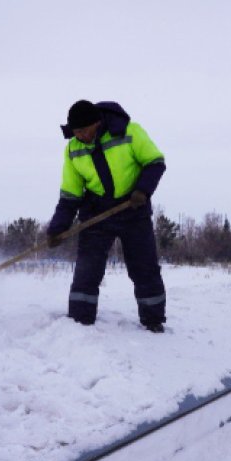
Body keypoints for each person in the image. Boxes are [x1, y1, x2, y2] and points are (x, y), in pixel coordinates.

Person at [46, 100, 167, 332]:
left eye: (83, 130)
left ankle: (153, 320)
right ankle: (80, 321)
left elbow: (155, 162)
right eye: (75, 131)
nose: (79, 136)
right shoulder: (73, 149)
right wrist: (58, 228)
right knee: (87, 269)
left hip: (133, 209)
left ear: (97, 123)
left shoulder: (130, 131)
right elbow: (70, 195)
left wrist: (142, 190)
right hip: (97, 213)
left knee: (144, 267)